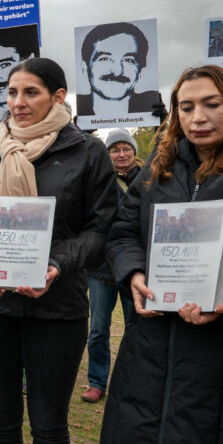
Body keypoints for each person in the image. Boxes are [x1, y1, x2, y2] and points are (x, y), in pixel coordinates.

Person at [96, 65, 223, 444]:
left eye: (212, 104)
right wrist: (134, 272)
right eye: (186, 107)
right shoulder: (158, 168)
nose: (198, 117)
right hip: (151, 352)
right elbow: (122, 231)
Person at [0, 57, 117, 444]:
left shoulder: (87, 151)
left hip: (57, 308)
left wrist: (57, 265)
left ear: (58, 96)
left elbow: (102, 229)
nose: (18, 102)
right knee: (1, 420)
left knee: (49, 425)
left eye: (30, 92)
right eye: (11, 93)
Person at [80, 128, 140, 404]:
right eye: (115, 149)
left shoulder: (149, 179)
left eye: (126, 148)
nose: (121, 154)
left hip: (134, 269)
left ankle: (130, 382)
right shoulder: (98, 180)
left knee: (134, 330)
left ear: (134, 152)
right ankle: (97, 381)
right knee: (99, 330)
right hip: (101, 269)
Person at [76, 22, 160, 117]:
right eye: (105, 59)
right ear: (85, 67)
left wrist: (162, 125)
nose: (117, 71)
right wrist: (76, 130)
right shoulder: (73, 109)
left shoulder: (149, 104)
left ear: (140, 71)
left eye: (128, 60)